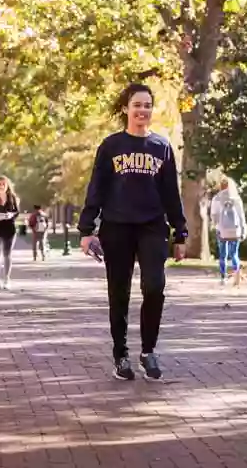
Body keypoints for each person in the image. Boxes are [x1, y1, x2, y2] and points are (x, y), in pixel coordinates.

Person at [78, 82, 187, 381]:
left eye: (147, 105)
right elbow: (96, 189)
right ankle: (121, 354)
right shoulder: (111, 146)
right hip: (117, 227)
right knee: (120, 293)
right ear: (126, 108)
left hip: (152, 226)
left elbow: (171, 194)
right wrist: (87, 229)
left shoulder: (161, 147)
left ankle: (148, 352)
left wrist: (181, 233)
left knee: (154, 286)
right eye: (137, 104)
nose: (143, 110)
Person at [210, 177, 247, 286]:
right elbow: (241, 216)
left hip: (221, 229)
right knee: (234, 254)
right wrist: (243, 229)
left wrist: (216, 224)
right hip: (235, 230)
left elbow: (214, 215)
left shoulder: (217, 198)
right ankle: (236, 277)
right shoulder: (236, 198)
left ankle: (223, 277)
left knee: (223, 255)